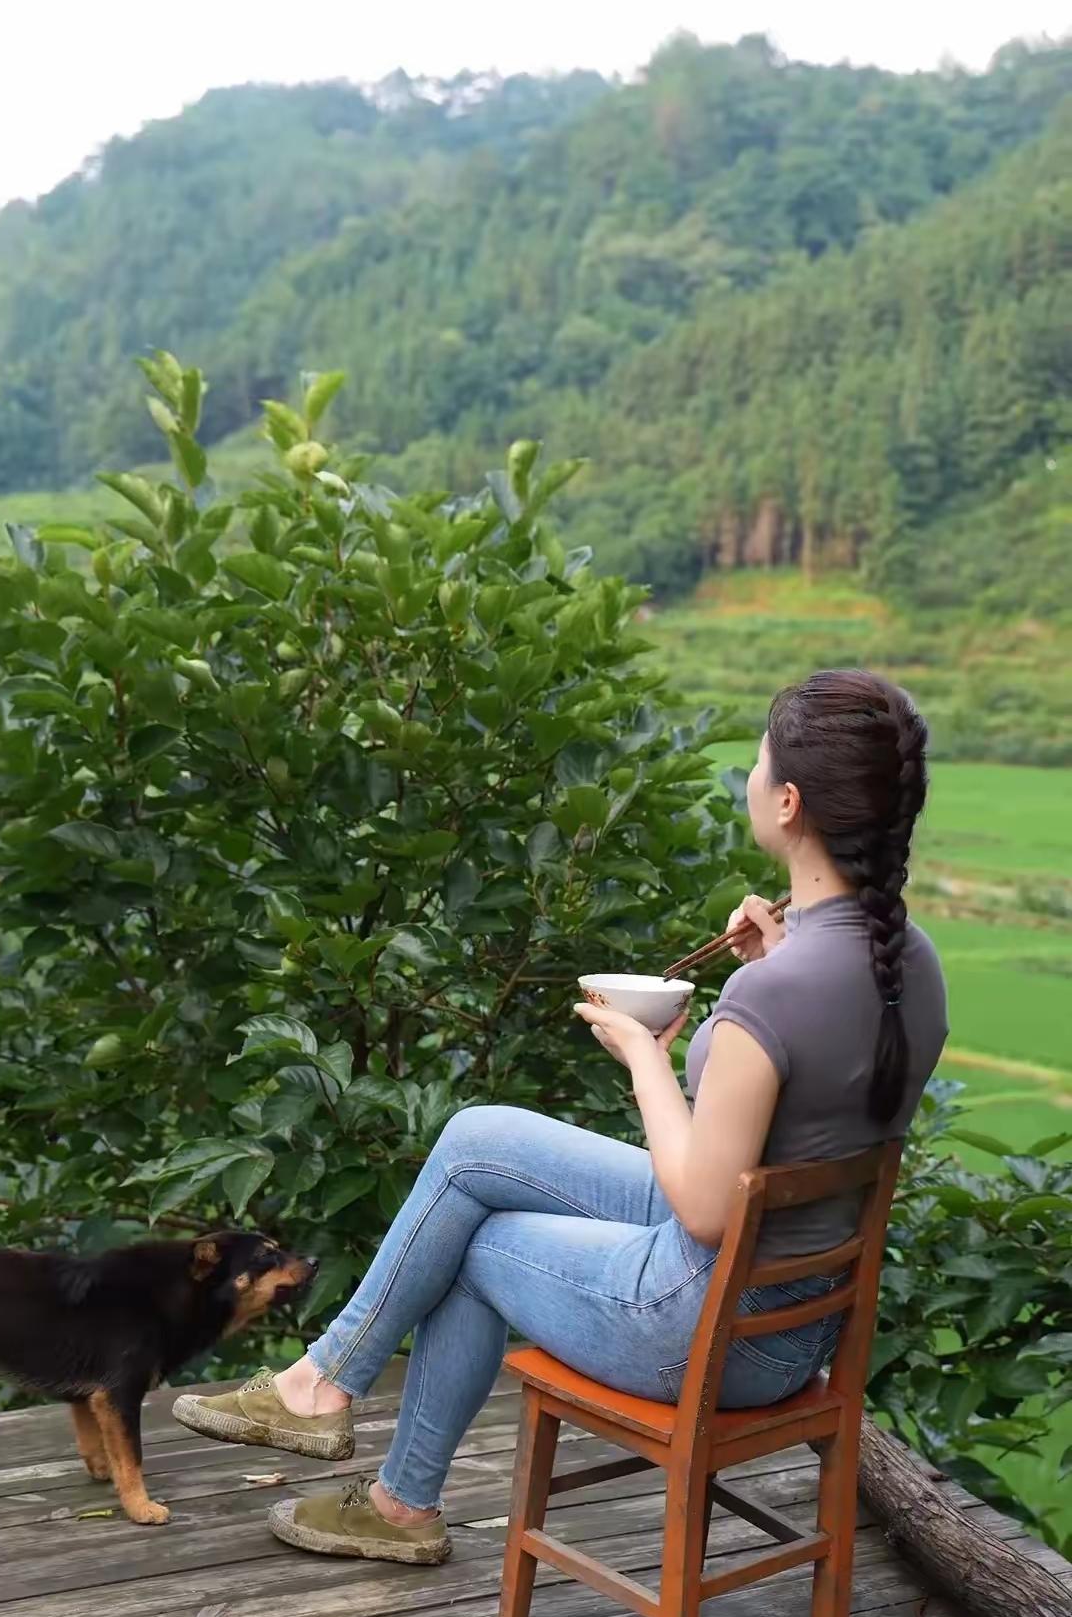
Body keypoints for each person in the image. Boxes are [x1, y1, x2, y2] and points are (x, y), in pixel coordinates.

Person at [174, 668, 948, 1564]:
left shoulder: (771, 998)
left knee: (466, 1242)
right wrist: (783, 951)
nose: (748, 776)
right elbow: (801, 1121)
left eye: (757, 760)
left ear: (788, 800)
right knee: (475, 1141)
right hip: (795, 1314)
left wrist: (648, 1060)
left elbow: (704, 1206)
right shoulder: (908, 962)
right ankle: (322, 1381)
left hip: (707, 1320)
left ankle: (393, 1496)